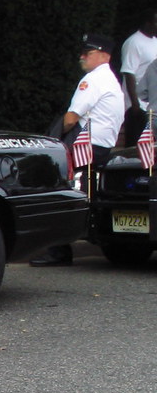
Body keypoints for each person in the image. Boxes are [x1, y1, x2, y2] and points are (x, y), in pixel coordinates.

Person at [32, 33, 125, 267]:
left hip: (85, 146)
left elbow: (71, 118)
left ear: (105, 55)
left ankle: (56, 251)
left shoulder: (93, 80)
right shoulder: (111, 80)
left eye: (88, 53)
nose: (82, 56)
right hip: (101, 148)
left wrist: (54, 136)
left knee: (53, 186)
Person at [119, 10, 157, 144]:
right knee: (136, 149)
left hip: (152, 106)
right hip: (138, 108)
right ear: (148, 23)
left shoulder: (155, 41)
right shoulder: (133, 43)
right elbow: (129, 73)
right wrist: (135, 106)